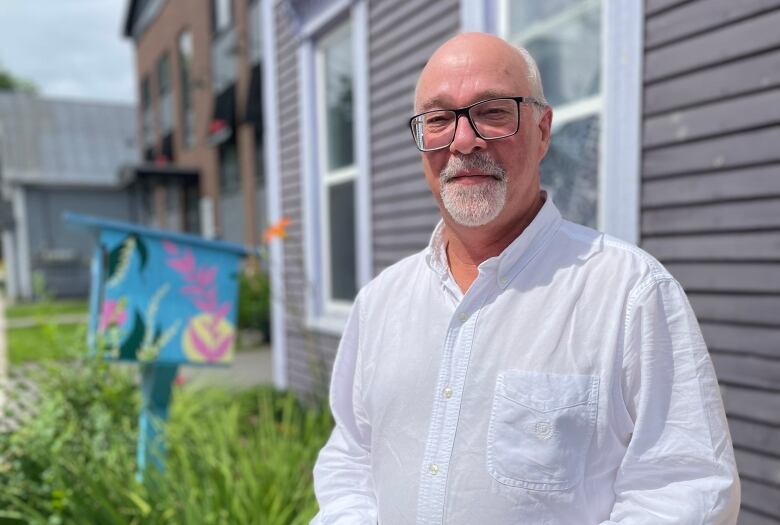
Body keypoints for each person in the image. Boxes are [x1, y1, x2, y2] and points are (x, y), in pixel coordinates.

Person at [311, 32, 740, 524]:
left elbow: (686, 491)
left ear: (543, 129)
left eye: (493, 111)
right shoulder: (382, 302)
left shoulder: (629, 293)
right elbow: (351, 457)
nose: (464, 140)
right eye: (439, 119)